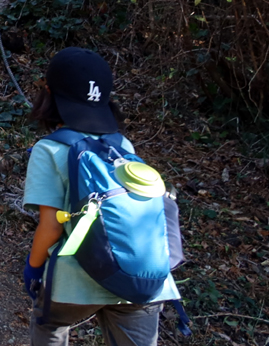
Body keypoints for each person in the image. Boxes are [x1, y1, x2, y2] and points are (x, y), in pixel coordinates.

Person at [22, 47, 181, 346]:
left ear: (48, 91)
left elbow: (51, 226)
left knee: (49, 326)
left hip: (74, 282)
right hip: (143, 277)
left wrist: (33, 268)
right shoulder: (122, 144)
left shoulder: (49, 149)